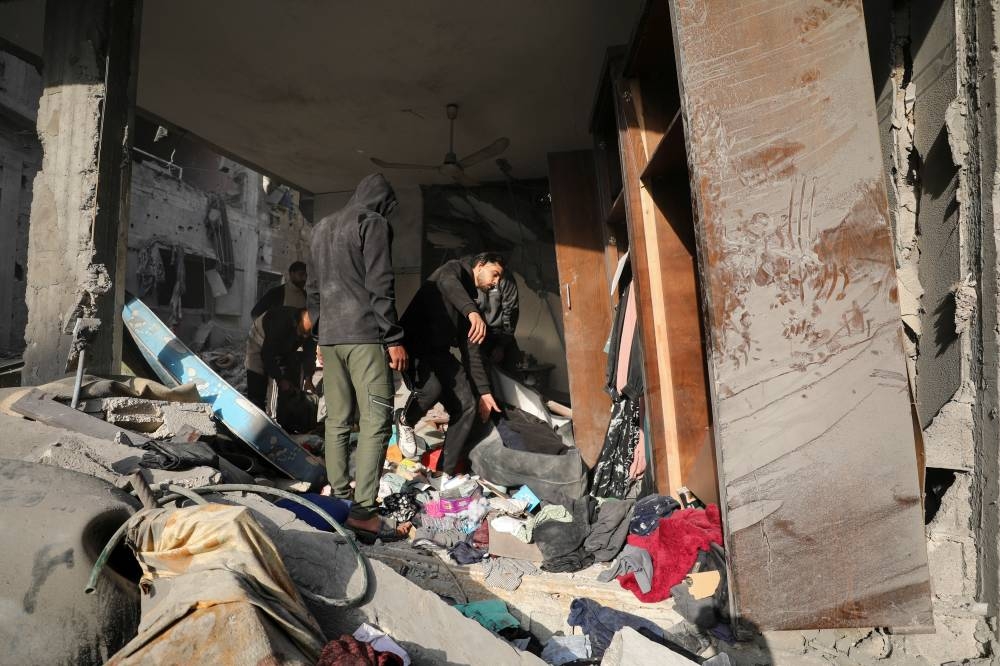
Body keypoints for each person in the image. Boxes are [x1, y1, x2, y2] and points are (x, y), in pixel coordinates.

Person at [308, 173, 408, 539]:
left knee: (336, 420)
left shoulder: (321, 228)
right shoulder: (372, 222)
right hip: (365, 336)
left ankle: (339, 501)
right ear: (384, 202)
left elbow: (313, 289)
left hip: (331, 339)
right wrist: (393, 337)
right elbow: (381, 282)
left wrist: (320, 335)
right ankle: (364, 513)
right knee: (375, 422)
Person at [396, 252, 505, 473]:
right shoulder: (452, 269)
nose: (496, 283)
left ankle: (444, 471)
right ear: (480, 264)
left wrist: (484, 392)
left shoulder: (470, 301)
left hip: (439, 353)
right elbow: (447, 282)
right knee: (433, 388)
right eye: (495, 275)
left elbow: (471, 351)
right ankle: (405, 420)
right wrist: (471, 312)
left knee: (467, 404)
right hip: (413, 347)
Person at [244, 306, 316, 409]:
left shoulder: (312, 329)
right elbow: (267, 354)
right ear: (300, 321)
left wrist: (308, 379)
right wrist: (280, 379)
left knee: (290, 382)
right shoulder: (281, 322)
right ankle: (257, 414)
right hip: (259, 341)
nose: (305, 336)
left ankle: (286, 418)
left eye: (307, 334)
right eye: (303, 333)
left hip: (285, 347)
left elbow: (310, 354)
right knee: (257, 383)